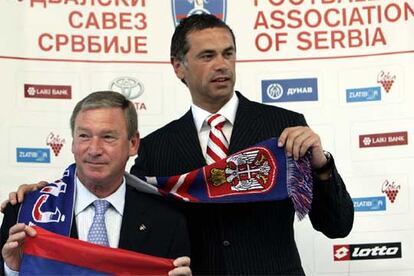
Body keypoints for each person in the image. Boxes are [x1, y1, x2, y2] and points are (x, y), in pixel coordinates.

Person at [3, 14, 353, 275]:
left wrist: (322, 167)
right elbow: (123, 207)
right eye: (207, 56)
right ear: (178, 67)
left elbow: (337, 226)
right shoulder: (156, 148)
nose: (221, 65)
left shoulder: (282, 127)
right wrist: (44, 195)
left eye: (228, 54)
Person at [0, 91, 191, 275]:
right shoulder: (24, 212)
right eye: (84, 136)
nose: (94, 150)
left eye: (108, 137)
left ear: (133, 144)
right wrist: (13, 270)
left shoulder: (168, 221)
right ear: (73, 142)